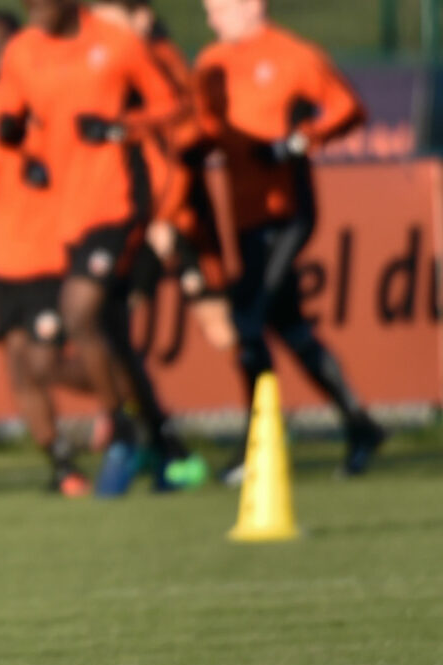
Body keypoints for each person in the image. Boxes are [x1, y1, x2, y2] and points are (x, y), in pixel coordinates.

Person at [0, 0, 187, 495]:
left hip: (117, 202)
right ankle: (164, 449)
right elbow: (13, 115)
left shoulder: (116, 43)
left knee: (79, 312)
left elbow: (173, 105)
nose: (33, 11)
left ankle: (119, 432)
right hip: (66, 212)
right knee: (113, 335)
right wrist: (9, 131)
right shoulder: (22, 51)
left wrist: (121, 128)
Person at [194, 0, 386, 481]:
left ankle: (257, 445)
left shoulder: (293, 54)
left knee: (249, 316)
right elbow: (202, 130)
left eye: (218, 8)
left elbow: (347, 108)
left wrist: (296, 142)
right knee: (288, 327)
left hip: (287, 211)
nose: (211, 19)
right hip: (242, 214)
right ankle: (359, 425)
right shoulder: (211, 64)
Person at [0, 10, 92, 497]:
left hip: (50, 252)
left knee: (45, 362)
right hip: (5, 258)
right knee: (18, 369)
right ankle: (60, 461)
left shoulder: (46, 100)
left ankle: (130, 405)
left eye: (0, 40)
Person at [86, 0, 217, 491]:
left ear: (138, 16)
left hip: (163, 215)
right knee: (115, 335)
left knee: (221, 323)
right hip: (122, 216)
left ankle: (249, 439)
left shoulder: (155, 61)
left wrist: (166, 216)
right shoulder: (99, 60)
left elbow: (178, 142)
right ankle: (158, 447)